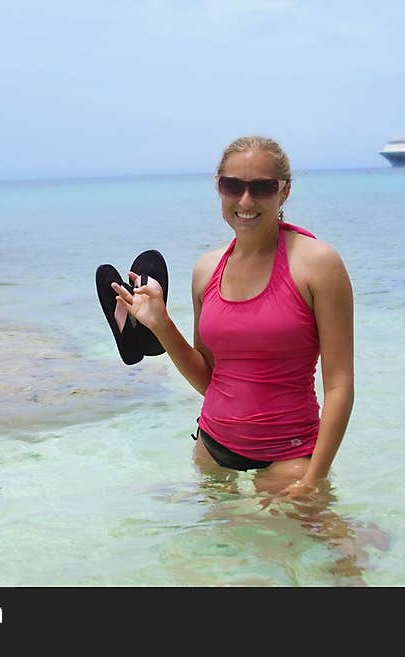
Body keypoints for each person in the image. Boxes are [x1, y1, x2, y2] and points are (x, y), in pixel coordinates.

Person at [112, 135, 354, 498]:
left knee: (328, 552)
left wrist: (313, 478)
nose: (245, 200)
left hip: (289, 456)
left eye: (261, 188)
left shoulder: (318, 263)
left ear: (283, 192)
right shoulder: (206, 270)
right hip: (213, 448)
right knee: (215, 555)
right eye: (232, 186)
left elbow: (339, 386)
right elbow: (208, 379)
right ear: (218, 188)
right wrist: (160, 323)